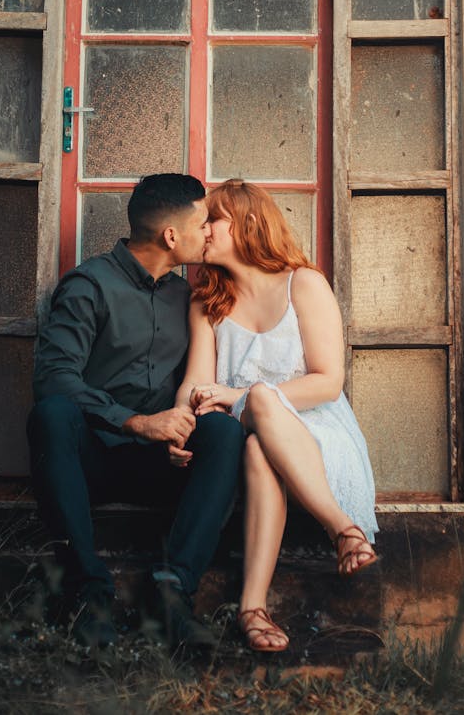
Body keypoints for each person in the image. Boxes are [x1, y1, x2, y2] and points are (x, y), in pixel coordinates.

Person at [27, 173, 245, 650]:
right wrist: (138, 423)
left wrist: (177, 427)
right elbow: (54, 378)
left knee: (224, 435)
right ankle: (89, 593)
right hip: (94, 458)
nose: (209, 230)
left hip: (161, 463)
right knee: (51, 416)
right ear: (171, 236)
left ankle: (172, 593)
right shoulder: (89, 285)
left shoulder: (186, 296)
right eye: (203, 222)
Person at [176, 179, 378, 653]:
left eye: (211, 220)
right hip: (253, 430)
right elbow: (194, 381)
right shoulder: (206, 300)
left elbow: (328, 381)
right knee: (256, 429)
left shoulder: (303, 283)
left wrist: (235, 394)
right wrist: (179, 416)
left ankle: (326, 541)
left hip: (318, 431)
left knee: (261, 416)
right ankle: (327, 546)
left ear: (246, 223)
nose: (200, 230)